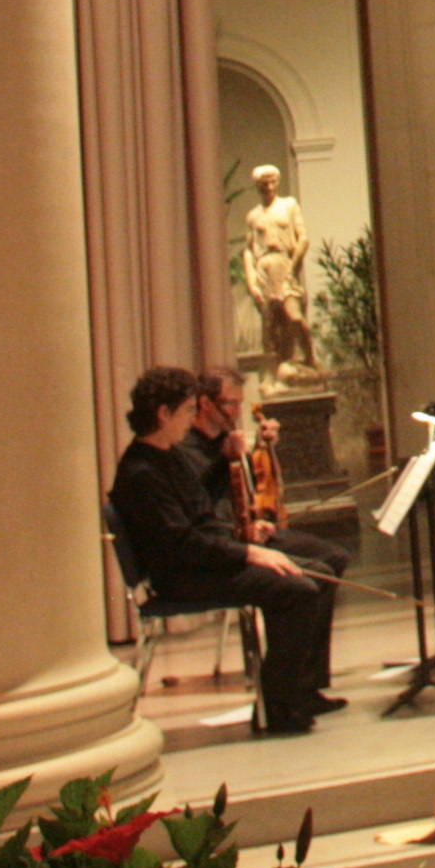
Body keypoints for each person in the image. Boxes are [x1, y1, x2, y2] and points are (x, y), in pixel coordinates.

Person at [108, 369, 340, 736]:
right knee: (296, 589)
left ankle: (297, 693)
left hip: (200, 563)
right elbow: (183, 544)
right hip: (180, 577)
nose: (191, 419)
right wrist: (248, 554)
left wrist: (244, 542)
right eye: (187, 410)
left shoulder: (169, 456)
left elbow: (203, 520)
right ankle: (278, 708)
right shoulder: (141, 472)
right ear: (163, 414)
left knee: (316, 572)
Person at [184, 358, 357, 577]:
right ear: (206, 403)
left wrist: (262, 447)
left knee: (335, 556)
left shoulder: (226, 438)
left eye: (240, 404)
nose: (238, 412)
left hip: (250, 533)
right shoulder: (187, 449)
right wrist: (225, 461)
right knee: (312, 574)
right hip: (225, 546)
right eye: (231, 404)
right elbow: (201, 504)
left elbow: (249, 490)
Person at [238, 166, 321, 376]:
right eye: (264, 183)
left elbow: (303, 238)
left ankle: (310, 358)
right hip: (264, 268)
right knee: (271, 325)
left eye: (272, 182)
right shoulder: (253, 216)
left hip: (284, 263)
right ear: (257, 186)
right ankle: (276, 372)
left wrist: (292, 265)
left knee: (294, 316)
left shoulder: (289, 205)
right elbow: (248, 250)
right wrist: (251, 282)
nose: (269, 187)